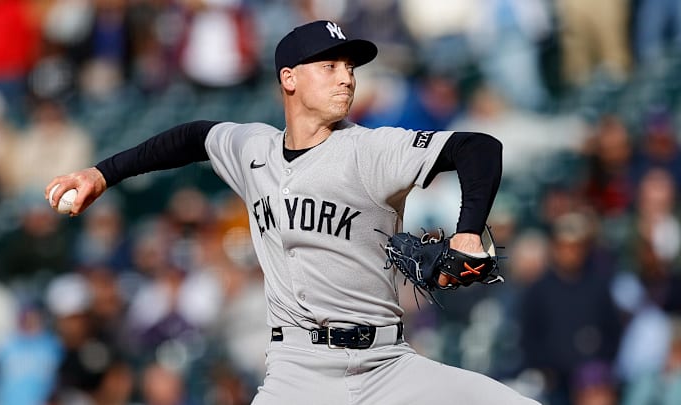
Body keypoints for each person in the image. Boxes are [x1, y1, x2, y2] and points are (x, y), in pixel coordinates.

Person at [46, 20, 539, 404]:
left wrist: (468, 233)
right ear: (289, 79)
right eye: (330, 66)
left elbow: (479, 148)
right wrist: (101, 174)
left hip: (387, 365)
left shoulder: (371, 150)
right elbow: (191, 136)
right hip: (296, 371)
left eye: (350, 66)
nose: (346, 76)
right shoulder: (252, 149)